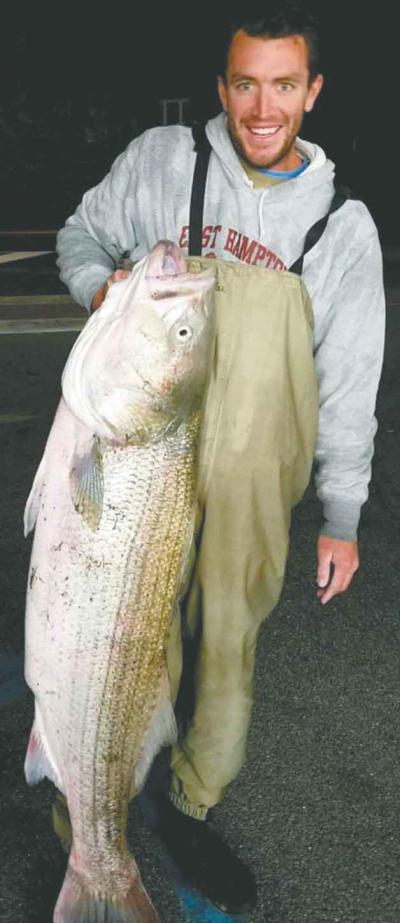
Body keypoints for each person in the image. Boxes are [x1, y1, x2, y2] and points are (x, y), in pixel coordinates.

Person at [55, 1, 385, 915]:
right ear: (222, 86)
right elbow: (80, 236)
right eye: (246, 82)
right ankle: (96, 803)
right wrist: (102, 290)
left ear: (313, 92)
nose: (263, 106)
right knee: (122, 635)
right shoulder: (163, 164)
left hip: (252, 481)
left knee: (227, 646)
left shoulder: (342, 225)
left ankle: (190, 800)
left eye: (285, 83)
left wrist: (342, 519)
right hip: (139, 460)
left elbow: (349, 383)